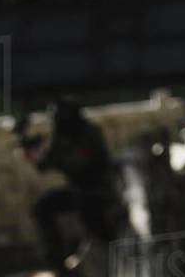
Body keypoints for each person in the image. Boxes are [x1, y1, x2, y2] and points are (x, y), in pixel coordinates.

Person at [17, 97, 126, 264]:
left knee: (91, 214)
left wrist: (53, 157)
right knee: (41, 206)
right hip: (78, 192)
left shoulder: (89, 133)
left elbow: (81, 164)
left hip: (99, 192)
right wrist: (34, 152)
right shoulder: (62, 136)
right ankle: (57, 259)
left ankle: (108, 250)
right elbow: (45, 165)